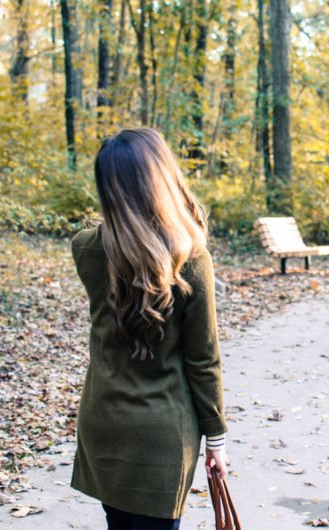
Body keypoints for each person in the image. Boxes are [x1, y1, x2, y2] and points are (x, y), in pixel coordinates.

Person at [69, 127, 230, 530]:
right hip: (160, 438)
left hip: (102, 424)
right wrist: (217, 439)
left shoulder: (85, 247)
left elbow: (111, 237)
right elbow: (202, 359)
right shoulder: (190, 259)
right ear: (162, 178)